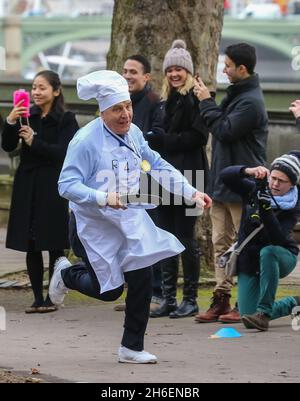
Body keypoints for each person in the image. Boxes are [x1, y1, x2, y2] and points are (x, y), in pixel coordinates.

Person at [49, 70, 212, 364]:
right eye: (117, 109)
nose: (125, 115)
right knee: (108, 291)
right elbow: (66, 185)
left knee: (142, 277)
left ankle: (131, 347)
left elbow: (157, 164)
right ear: (103, 111)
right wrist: (103, 198)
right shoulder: (84, 141)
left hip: (130, 220)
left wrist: (191, 192)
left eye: (128, 106)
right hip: (91, 225)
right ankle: (65, 273)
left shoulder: (135, 133)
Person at [193, 43, 269, 324]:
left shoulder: (251, 102)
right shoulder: (237, 95)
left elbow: (224, 130)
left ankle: (245, 301)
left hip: (243, 185)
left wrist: (205, 101)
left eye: (227, 65)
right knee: (220, 243)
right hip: (223, 182)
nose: (223, 70)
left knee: (245, 243)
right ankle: (221, 298)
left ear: (242, 69)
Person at [1, 70, 79, 314]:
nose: (36, 92)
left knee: (54, 241)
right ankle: (37, 297)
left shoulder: (66, 119)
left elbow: (65, 153)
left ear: (56, 91)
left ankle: (53, 296)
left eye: (42, 87)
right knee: (31, 242)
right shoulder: (27, 116)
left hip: (53, 184)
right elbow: (7, 145)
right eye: (33, 87)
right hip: (27, 183)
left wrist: (36, 142)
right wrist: (11, 121)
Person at [148, 40, 210, 319]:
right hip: (163, 177)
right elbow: (157, 133)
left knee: (187, 238)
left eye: (179, 69)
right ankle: (169, 298)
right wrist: (161, 139)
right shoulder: (163, 101)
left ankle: (191, 299)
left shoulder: (196, 98)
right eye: (170, 69)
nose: (174, 74)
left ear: (188, 72)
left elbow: (198, 137)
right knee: (166, 237)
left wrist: (166, 140)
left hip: (191, 175)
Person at [220, 153, 300, 331]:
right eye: (274, 178)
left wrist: (265, 209)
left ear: (292, 184)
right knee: (247, 314)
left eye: (282, 181)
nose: (275, 184)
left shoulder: (294, 206)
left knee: (269, 251)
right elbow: (225, 176)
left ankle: (264, 314)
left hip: (282, 256)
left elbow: (277, 238)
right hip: (250, 258)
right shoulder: (253, 190)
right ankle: (295, 303)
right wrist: (248, 170)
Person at [122, 54, 164, 309]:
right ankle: (134, 292)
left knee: (149, 235)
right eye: (125, 71)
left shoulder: (155, 102)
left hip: (148, 180)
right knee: (129, 237)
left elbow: (158, 137)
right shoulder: (119, 101)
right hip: (123, 180)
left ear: (146, 77)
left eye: (133, 72)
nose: (128, 75)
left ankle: (155, 293)